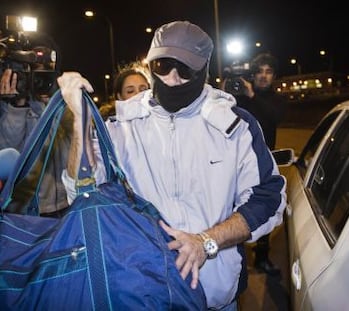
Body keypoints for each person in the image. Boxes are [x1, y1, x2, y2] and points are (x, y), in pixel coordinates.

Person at [58, 20, 287, 310]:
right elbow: (81, 193)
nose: (172, 78)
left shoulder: (235, 126)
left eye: (185, 68)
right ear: (150, 64)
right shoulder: (120, 127)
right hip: (140, 293)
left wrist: (207, 241)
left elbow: (269, 197)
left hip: (212, 296)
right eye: (163, 66)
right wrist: (79, 119)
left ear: (203, 69)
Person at [0, 33, 72, 216]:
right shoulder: (12, 106)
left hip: (67, 202)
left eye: (47, 70)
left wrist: (59, 102)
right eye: (35, 71)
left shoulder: (65, 102)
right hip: (27, 209)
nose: (41, 78)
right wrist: (17, 105)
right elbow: (11, 151)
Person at [230, 53, 288, 276]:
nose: (264, 76)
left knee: (263, 208)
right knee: (233, 211)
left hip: (264, 163)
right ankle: (234, 254)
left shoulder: (276, 100)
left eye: (269, 71)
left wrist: (252, 95)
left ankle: (262, 257)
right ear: (252, 75)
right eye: (260, 71)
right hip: (236, 162)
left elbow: (274, 117)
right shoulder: (239, 97)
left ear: (274, 76)